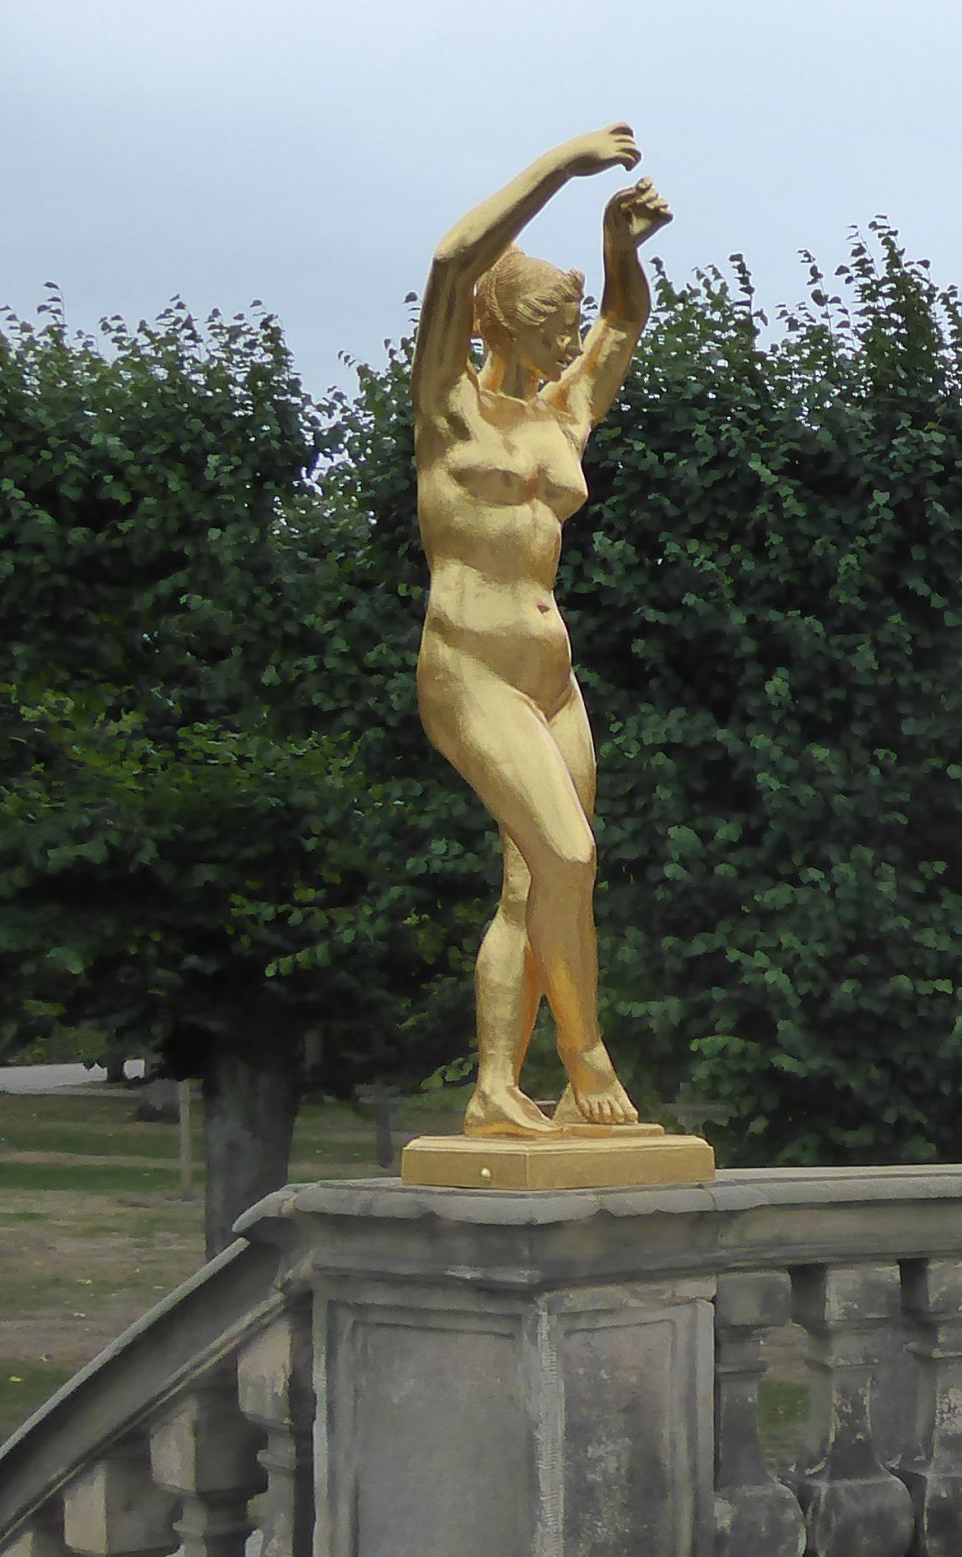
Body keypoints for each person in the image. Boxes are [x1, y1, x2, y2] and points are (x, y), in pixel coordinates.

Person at [412, 123, 672, 1139]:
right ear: (502, 319)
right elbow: (450, 259)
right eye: (553, 314)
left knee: (541, 879)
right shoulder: (448, 409)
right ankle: (584, 1056)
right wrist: (563, 168)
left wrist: (617, 255)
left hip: (552, 681)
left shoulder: (561, 419)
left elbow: (622, 331)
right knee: (566, 857)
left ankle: (496, 1086)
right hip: (470, 670)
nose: (573, 331)